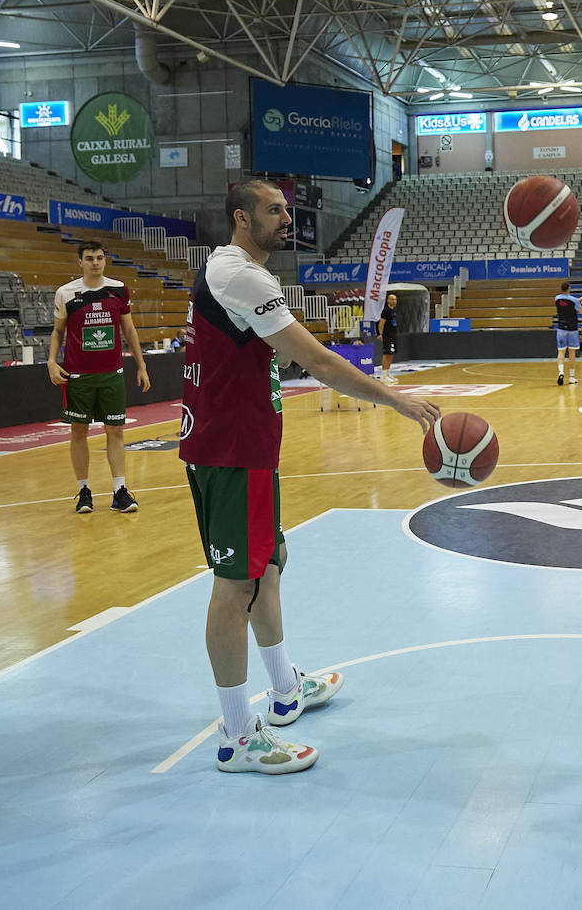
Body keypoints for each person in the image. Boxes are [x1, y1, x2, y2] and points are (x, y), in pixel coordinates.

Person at [181, 180, 440, 774]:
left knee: (267, 568)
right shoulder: (239, 275)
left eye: (286, 209)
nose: (286, 218)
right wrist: (396, 400)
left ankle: (283, 690)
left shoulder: (240, 273)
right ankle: (237, 737)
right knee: (234, 586)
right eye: (274, 210)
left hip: (248, 448)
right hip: (229, 452)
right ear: (241, 217)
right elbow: (318, 361)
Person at [47, 241, 151, 514]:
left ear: (105, 261)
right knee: (78, 431)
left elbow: (129, 330)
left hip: (111, 375)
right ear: (80, 262)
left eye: (100, 258)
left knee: (115, 431)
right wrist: (51, 362)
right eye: (90, 258)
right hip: (78, 376)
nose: (95, 262)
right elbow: (58, 332)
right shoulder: (66, 293)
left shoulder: (118, 289)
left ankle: (120, 491)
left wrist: (141, 364)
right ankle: (84, 491)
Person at [553, 280, 580, 385]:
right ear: (569, 288)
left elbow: (566, 303)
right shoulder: (574, 300)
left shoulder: (557, 299)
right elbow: (580, 310)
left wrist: (577, 300)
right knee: (572, 353)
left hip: (561, 329)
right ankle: (572, 377)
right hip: (572, 329)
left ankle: (561, 372)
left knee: (561, 352)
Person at [378, 293, 399, 384]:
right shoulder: (385, 311)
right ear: (388, 300)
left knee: (391, 354)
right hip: (387, 336)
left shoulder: (393, 311)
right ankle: (383, 376)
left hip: (393, 335)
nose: (394, 301)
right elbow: (381, 324)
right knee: (386, 354)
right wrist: (380, 334)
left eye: (395, 299)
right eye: (392, 299)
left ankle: (387, 373)